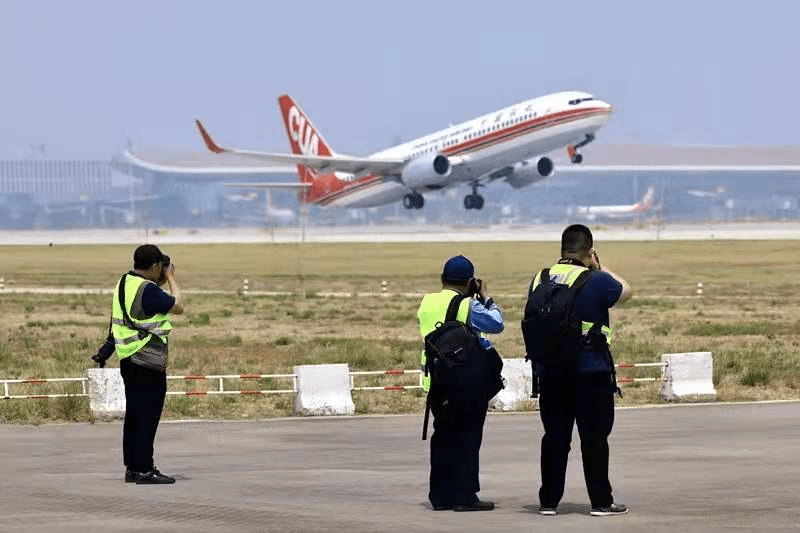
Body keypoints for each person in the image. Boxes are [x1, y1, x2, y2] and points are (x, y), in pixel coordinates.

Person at [531, 224, 633, 516]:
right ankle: (601, 502)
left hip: (550, 372)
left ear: (562, 249)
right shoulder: (597, 280)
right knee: (594, 438)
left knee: (555, 438)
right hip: (591, 371)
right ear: (590, 251)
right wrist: (600, 266)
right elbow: (626, 291)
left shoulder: (540, 278)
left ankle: (548, 502)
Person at [417, 255, 504, 512]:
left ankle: (440, 496)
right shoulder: (468, 306)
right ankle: (465, 496)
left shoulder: (427, 302)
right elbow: (496, 324)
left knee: (443, 438)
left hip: (436, 382)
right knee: (467, 438)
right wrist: (485, 298)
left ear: (442, 278)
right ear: (470, 282)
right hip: (465, 383)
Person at [113, 244, 184, 484]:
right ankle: (145, 469)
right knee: (147, 417)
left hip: (128, 357)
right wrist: (171, 277)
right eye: (160, 267)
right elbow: (178, 305)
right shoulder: (148, 290)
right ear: (155, 266)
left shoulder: (124, 283)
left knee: (135, 415)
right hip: (147, 359)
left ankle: (133, 467)